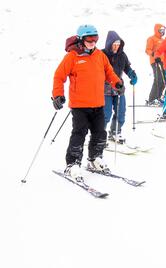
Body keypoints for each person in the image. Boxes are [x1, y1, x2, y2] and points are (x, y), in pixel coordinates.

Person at [52, 25, 122, 181]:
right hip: (80, 105)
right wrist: (57, 95)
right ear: (81, 39)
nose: (92, 42)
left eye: (95, 39)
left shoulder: (99, 55)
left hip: (98, 103)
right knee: (79, 133)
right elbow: (59, 76)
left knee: (100, 133)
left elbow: (109, 72)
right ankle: (72, 164)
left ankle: (95, 158)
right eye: (89, 39)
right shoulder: (72, 56)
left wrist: (117, 83)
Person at [102, 30, 137, 144]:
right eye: (114, 44)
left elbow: (127, 67)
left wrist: (132, 74)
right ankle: (99, 135)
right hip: (105, 89)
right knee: (105, 114)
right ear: (109, 44)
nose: (116, 47)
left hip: (119, 89)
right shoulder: (102, 54)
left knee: (121, 112)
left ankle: (115, 132)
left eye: (118, 44)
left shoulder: (122, 55)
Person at [145, 24, 166, 106]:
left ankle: (158, 97)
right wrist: (153, 54)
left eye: (163, 30)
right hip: (155, 61)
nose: (162, 32)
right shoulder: (151, 39)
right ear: (157, 30)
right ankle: (152, 99)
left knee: (164, 81)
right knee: (158, 80)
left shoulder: (163, 40)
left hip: (163, 62)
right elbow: (147, 50)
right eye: (161, 30)